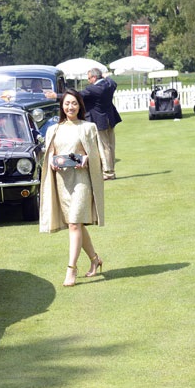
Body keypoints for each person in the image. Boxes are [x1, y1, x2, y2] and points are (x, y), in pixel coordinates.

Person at [39, 89, 105, 287]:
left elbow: (97, 155)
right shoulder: (54, 129)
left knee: (75, 223)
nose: (70, 107)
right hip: (62, 182)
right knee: (75, 224)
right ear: (62, 106)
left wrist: (85, 159)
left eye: (74, 103)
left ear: (80, 106)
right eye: (67, 103)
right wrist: (52, 161)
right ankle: (95, 259)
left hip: (82, 180)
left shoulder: (88, 127)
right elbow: (50, 154)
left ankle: (71, 269)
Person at [79, 67, 122, 181]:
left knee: (104, 147)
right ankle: (111, 170)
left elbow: (77, 94)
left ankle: (108, 172)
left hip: (100, 120)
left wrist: (57, 96)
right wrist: (105, 76)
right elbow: (113, 81)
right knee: (111, 145)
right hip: (110, 118)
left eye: (89, 78)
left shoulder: (93, 89)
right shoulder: (110, 85)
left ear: (94, 77)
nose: (88, 81)